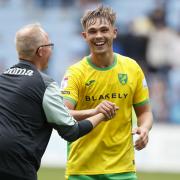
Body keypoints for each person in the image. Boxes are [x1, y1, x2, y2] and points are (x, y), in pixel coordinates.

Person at [0, 23, 118, 180]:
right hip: (16, 165)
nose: (52, 50)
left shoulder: (2, 78)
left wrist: (93, 110)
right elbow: (71, 131)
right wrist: (103, 114)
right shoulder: (44, 84)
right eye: (50, 45)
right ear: (41, 51)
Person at [61, 5, 153, 180]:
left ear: (114, 32)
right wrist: (95, 111)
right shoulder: (75, 73)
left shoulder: (132, 68)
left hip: (123, 170)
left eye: (104, 30)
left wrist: (144, 128)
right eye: (93, 31)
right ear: (84, 36)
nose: (99, 36)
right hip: (82, 170)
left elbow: (145, 112)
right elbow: (63, 114)